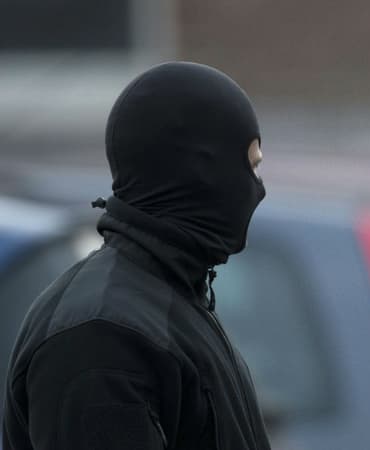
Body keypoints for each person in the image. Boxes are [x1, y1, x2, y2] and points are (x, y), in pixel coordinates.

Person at [3, 62, 272, 449]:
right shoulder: (103, 336)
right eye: (251, 166)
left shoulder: (172, 301)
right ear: (203, 171)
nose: (258, 189)